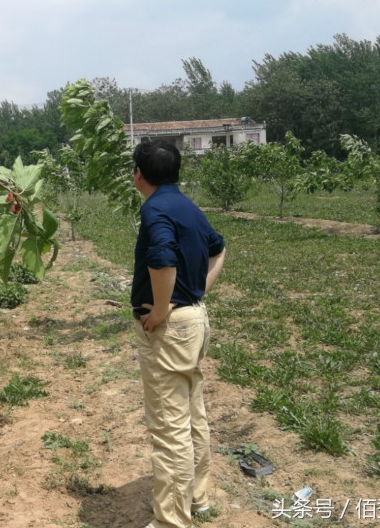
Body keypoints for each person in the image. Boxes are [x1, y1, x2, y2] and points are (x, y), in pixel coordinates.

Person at [130, 140, 225, 528]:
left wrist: (164, 306)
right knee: (191, 413)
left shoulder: (154, 209)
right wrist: (196, 291)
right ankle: (198, 498)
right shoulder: (188, 206)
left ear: (140, 173)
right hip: (195, 321)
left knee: (169, 426)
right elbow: (219, 249)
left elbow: (162, 257)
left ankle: (172, 521)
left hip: (172, 328)